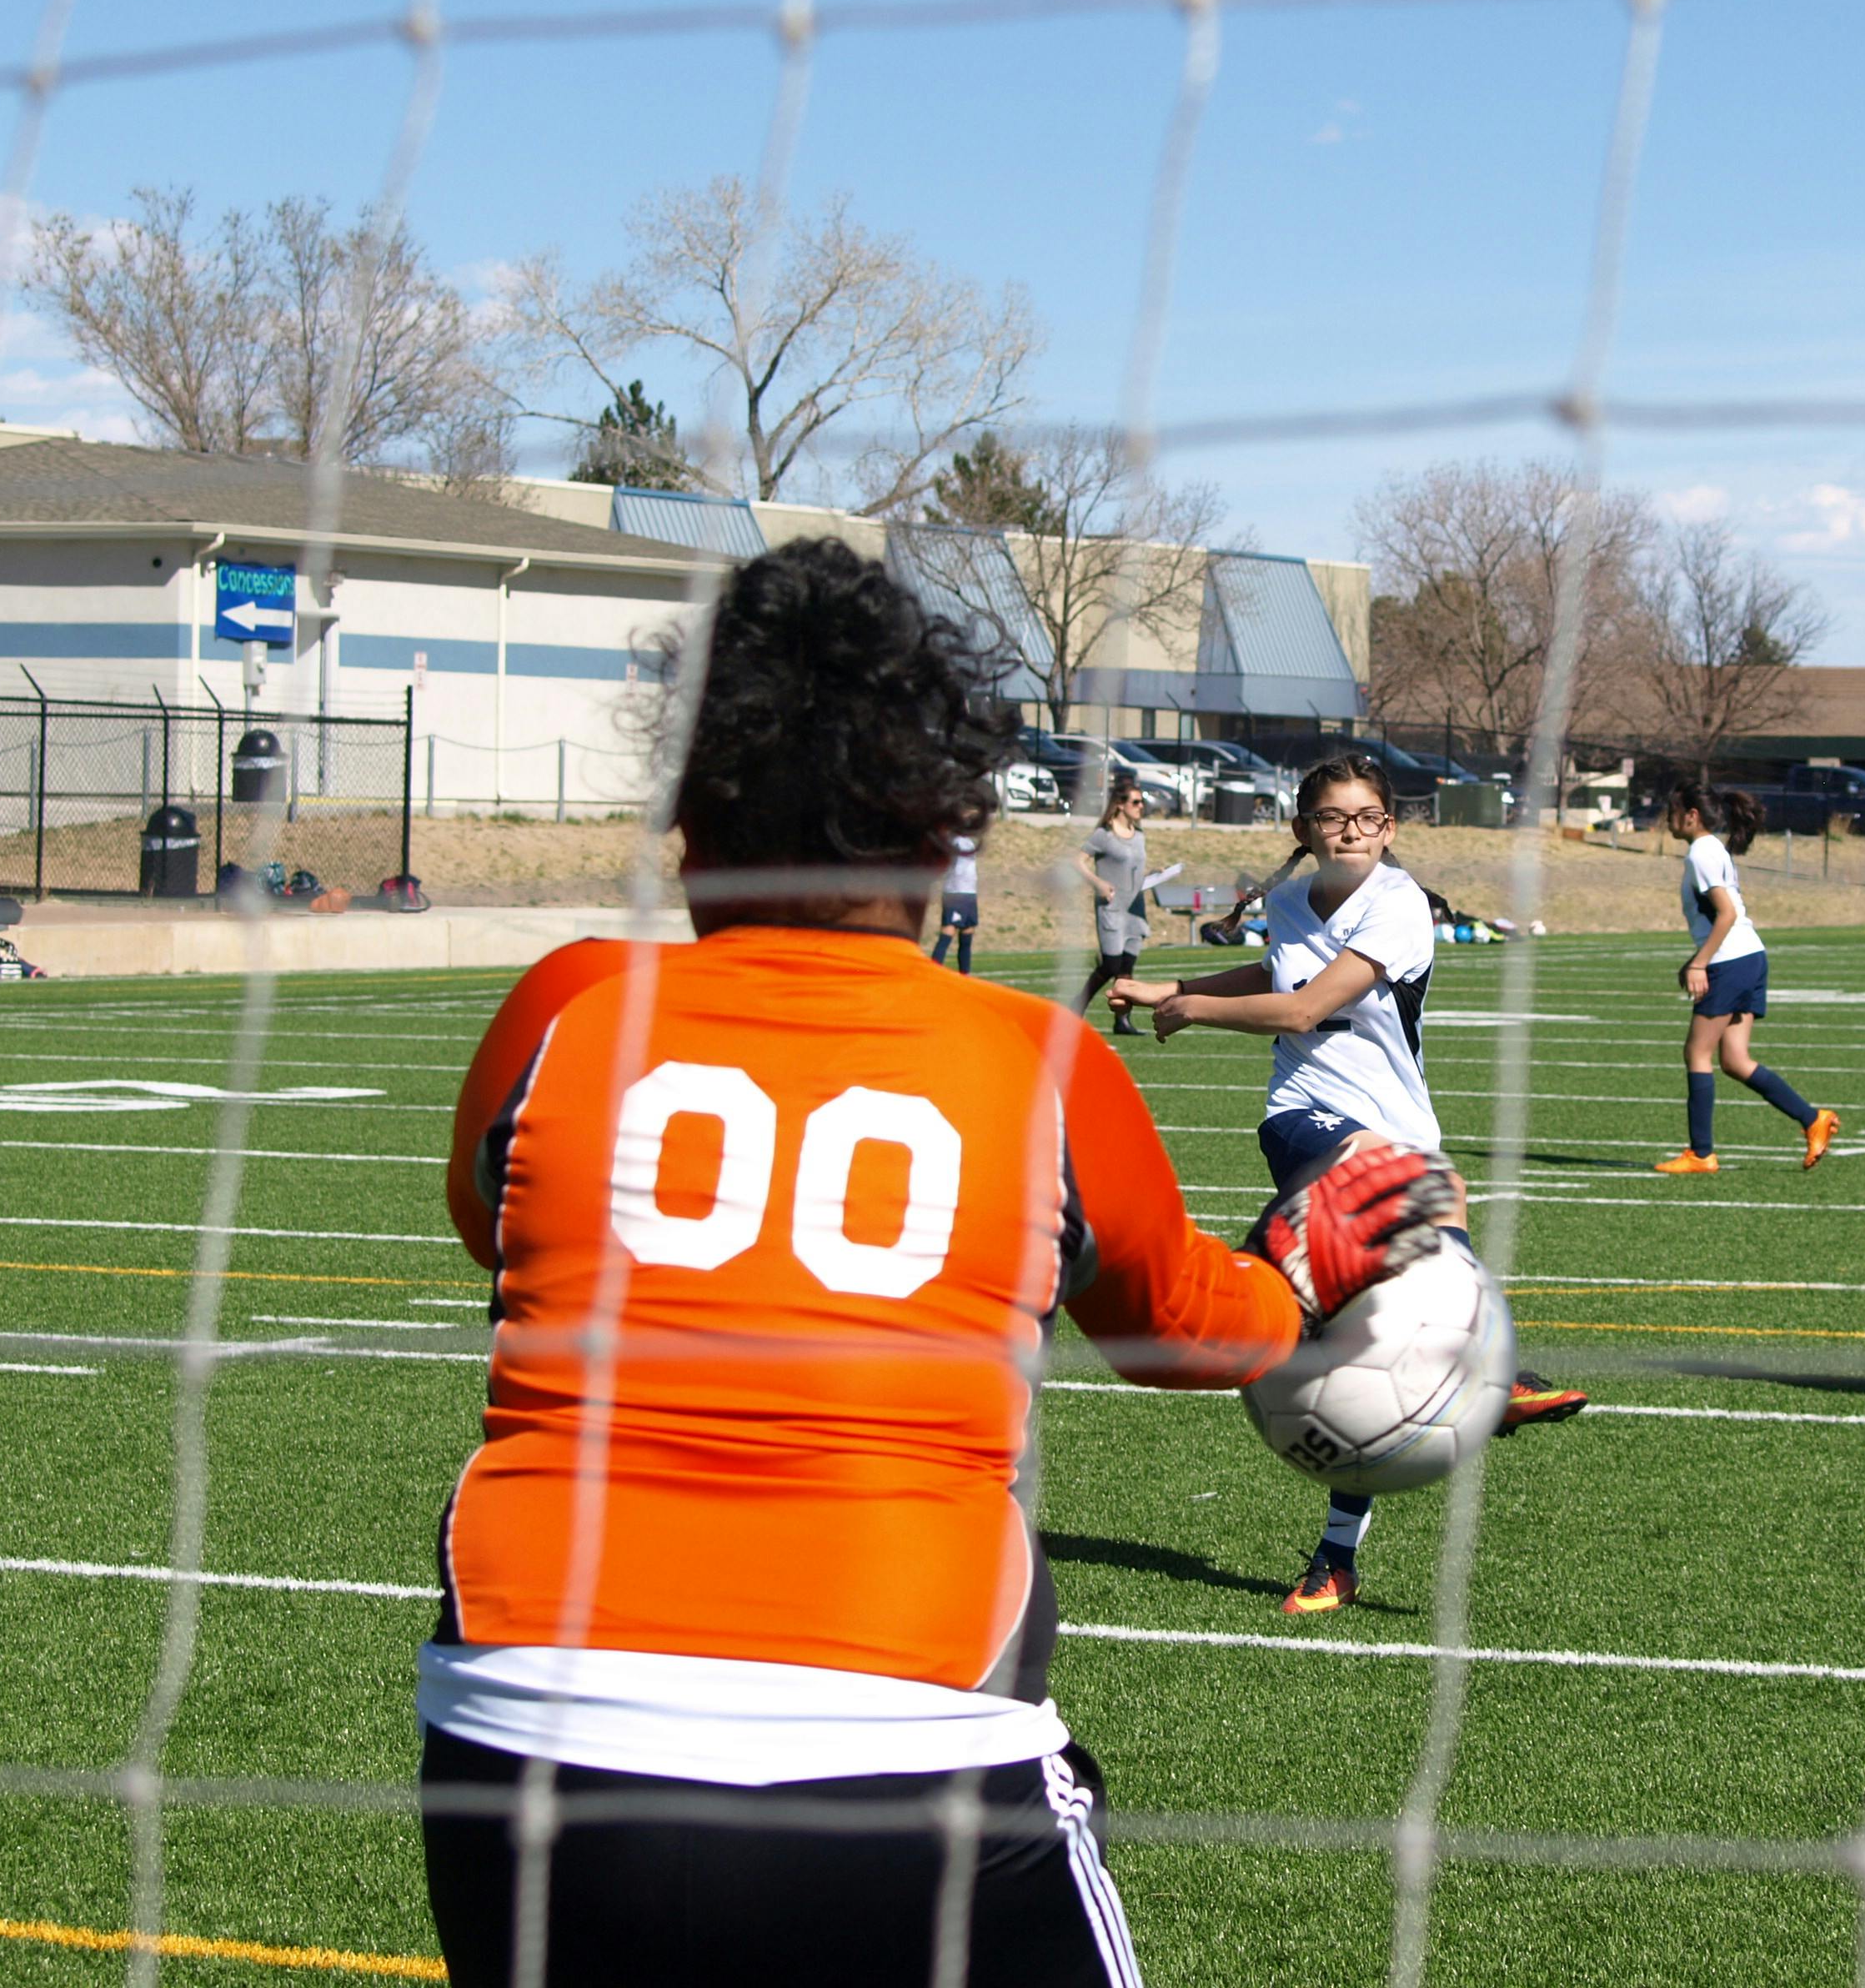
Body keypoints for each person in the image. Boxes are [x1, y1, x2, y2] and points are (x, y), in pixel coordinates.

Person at [415, 541, 1459, 1987]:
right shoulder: (1032, 1062)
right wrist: (1300, 1265)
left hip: (523, 1733)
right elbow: (1182, 1335)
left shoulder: (563, 1007)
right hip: (901, 1727)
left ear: (689, 824)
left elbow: (495, 1228)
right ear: (941, 834)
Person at [1108, 751, 1589, 1616]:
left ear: (1390, 827)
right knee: (1424, 1210)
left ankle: (1336, 1558)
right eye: (1334, 818)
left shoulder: (1399, 905)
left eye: (1369, 818)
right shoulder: (1292, 901)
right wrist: (1175, 988)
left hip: (1399, 1126)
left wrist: (1192, 1008)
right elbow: (1281, 982)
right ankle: (1489, 1373)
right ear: (1305, 829)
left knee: (1379, 1352)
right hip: (1305, 1120)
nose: (1353, 832)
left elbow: (1304, 1004)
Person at [1651, 783, 1842, 1174]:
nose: (1667, 820)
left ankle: (1701, 1154)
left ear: (1691, 815)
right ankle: (1813, 1119)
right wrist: (1697, 960)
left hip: (1731, 961)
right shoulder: (1712, 850)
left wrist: (1701, 963)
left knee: (1697, 1053)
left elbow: (1727, 914)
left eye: (1672, 812)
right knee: (1735, 1060)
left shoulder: (1701, 852)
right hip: (1748, 956)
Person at [1075, 777, 1150, 1034]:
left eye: (1142, 802)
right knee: (1111, 966)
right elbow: (1077, 861)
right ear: (1120, 804)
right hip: (1112, 909)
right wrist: (1098, 883)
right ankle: (1076, 1007)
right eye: (1136, 802)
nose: (1141, 806)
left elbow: (1135, 870)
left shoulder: (1139, 836)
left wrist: (1155, 875)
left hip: (1135, 910)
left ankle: (1122, 1021)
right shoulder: (1104, 835)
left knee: (1127, 968)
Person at [929, 832, 979, 976]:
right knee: (949, 930)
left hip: (969, 892)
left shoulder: (969, 842)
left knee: (967, 931)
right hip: (956, 892)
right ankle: (932, 972)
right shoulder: (954, 841)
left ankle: (965, 974)